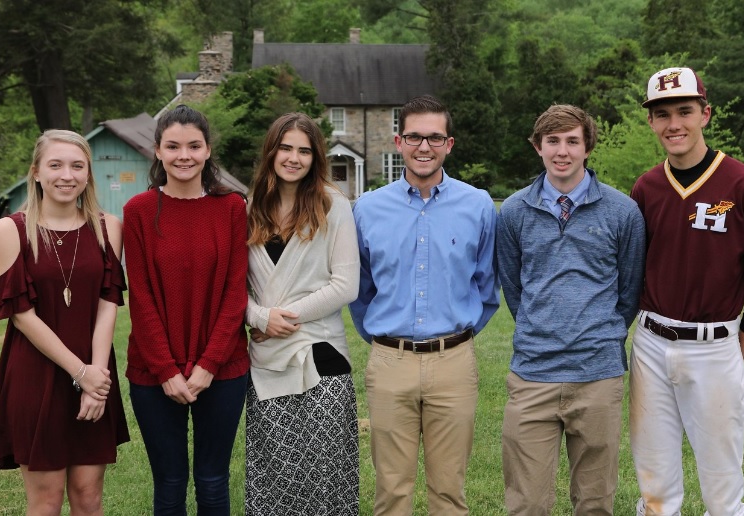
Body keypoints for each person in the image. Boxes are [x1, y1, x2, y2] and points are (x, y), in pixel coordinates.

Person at [629, 67, 744, 516]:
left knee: (722, 488)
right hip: (651, 342)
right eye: (662, 114)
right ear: (651, 123)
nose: (673, 123)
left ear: (706, 114)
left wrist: (739, 351)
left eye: (684, 110)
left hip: (716, 344)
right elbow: (634, 273)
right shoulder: (646, 187)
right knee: (655, 485)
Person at [349, 94, 500, 515]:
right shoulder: (368, 209)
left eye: (434, 138)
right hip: (390, 360)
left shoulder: (478, 206)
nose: (423, 147)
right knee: (392, 492)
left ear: (449, 144)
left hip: (453, 360)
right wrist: (381, 337)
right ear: (399, 141)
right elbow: (360, 289)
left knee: (449, 492)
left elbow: (487, 288)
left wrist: (457, 334)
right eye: (414, 136)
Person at [496, 104, 646, 515]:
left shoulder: (622, 212)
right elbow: (514, 288)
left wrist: (600, 331)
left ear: (587, 147)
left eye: (572, 141)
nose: (562, 151)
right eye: (553, 141)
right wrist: (540, 326)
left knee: (595, 502)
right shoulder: (512, 212)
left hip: (597, 374)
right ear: (538, 147)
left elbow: (629, 291)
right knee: (526, 502)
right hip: (532, 375)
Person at [0, 129, 129, 514]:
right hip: (36, 374)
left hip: (95, 368)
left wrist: (96, 380)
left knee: (88, 496)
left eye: (77, 166)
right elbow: (22, 316)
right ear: (35, 172)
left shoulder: (108, 227)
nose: (67, 175)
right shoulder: (9, 230)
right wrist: (79, 373)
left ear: (88, 174)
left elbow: (108, 303)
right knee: (46, 502)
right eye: (56, 165)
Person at [123, 104, 249, 515]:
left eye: (194, 146)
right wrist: (166, 370)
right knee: (170, 483)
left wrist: (208, 365)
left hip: (223, 369)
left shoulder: (231, 208)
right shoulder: (139, 211)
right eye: (173, 146)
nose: (184, 155)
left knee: (214, 481)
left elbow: (235, 292)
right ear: (157, 151)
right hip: (153, 371)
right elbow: (139, 297)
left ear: (208, 150)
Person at [244, 112, 360, 514]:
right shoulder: (248, 208)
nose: (294, 158)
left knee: (328, 479)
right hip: (266, 362)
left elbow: (345, 285)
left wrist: (280, 316)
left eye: (304, 151)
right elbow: (232, 289)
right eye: (286, 148)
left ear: (315, 157)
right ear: (271, 151)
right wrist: (259, 318)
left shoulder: (334, 205)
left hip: (321, 356)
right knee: (274, 480)